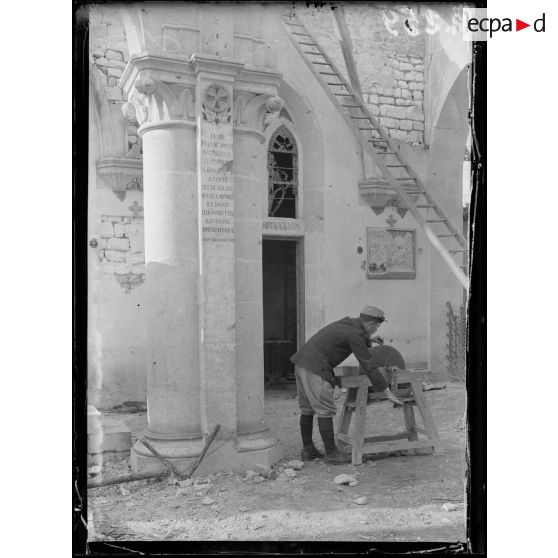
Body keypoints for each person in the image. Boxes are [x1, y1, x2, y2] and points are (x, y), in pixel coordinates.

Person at [290, 305, 404, 464]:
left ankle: (308, 450)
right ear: (370, 323)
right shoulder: (355, 334)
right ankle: (331, 454)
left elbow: (343, 337)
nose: (375, 331)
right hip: (316, 367)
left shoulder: (348, 323)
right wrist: (386, 390)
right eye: (376, 327)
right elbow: (368, 364)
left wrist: (368, 339)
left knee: (307, 409)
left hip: (302, 363)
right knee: (325, 410)